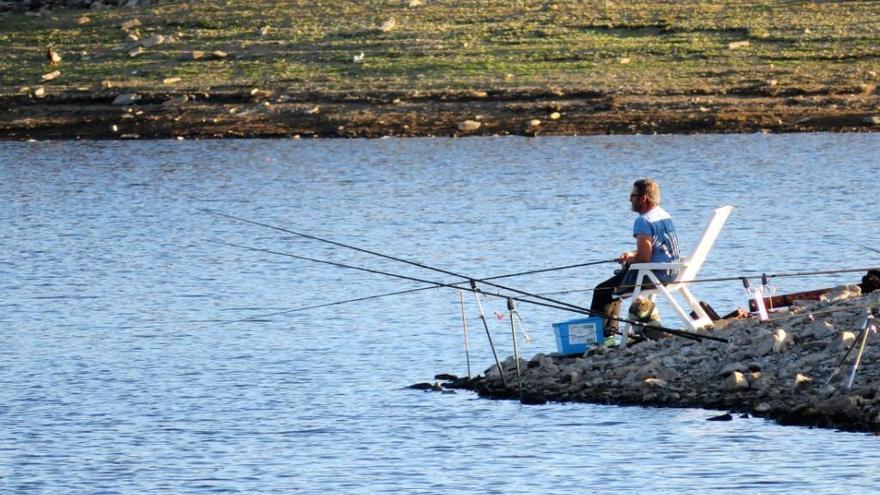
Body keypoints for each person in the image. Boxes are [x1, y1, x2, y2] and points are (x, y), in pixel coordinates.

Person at [590, 178, 680, 337]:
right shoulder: (663, 214)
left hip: (654, 275)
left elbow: (644, 258)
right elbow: (655, 247)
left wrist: (629, 261)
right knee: (614, 287)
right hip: (670, 272)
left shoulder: (643, 221)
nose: (629, 199)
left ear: (643, 198)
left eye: (632, 195)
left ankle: (597, 338)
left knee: (602, 290)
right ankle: (608, 334)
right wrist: (632, 255)